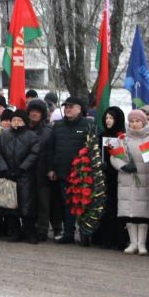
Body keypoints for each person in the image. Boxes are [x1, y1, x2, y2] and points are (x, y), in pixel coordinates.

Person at [48, 96, 96, 244]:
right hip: (63, 171)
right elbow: (51, 149)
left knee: (84, 204)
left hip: (83, 173)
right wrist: (51, 168)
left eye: (71, 107)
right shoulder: (58, 126)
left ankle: (85, 234)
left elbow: (94, 148)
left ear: (79, 108)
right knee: (68, 204)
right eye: (66, 107)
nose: (67, 109)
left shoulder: (88, 124)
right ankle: (68, 233)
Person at [0, 110, 41, 243]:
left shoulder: (31, 136)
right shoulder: (4, 135)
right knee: (10, 205)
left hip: (25, 176)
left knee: (27, 205)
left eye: (19, 120)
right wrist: (4, 169)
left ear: (25, 122)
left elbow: (34, 153)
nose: (16, 122)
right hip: (8, 175)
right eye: (14, 120)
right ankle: (14, 232)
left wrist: (22, 168)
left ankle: (29, 232)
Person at [110, 109, 149, 255]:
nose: (134, 124)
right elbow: (114, 156)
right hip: (127, 180)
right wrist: (123, 166)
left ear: (143, 122)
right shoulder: (123, 139)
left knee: (143, 213)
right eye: (132, 121)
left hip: (144, 180)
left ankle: (142, 244)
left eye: (138, 121)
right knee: (129, 213)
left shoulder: (148, 138)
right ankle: (132, 243)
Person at [94, 107, 126, 250]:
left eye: (111, 118)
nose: (108, 121)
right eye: (106, 118)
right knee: (104, 206)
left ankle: (118, 238)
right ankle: (103, 237)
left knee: (117, 207)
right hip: (103, 176)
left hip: (120, 176)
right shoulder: (101, 136)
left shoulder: (123, 137)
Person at [27, 99, 55, 241]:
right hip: (26, 171)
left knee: (43, 203)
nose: (35, 114)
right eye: (32, 111)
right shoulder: (24, 129)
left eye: (38, 112)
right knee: (28, 201)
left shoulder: (48, 131)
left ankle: (42, 230)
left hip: (43, 171)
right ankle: (29, 228)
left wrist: (51, 169)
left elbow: (51, 152)